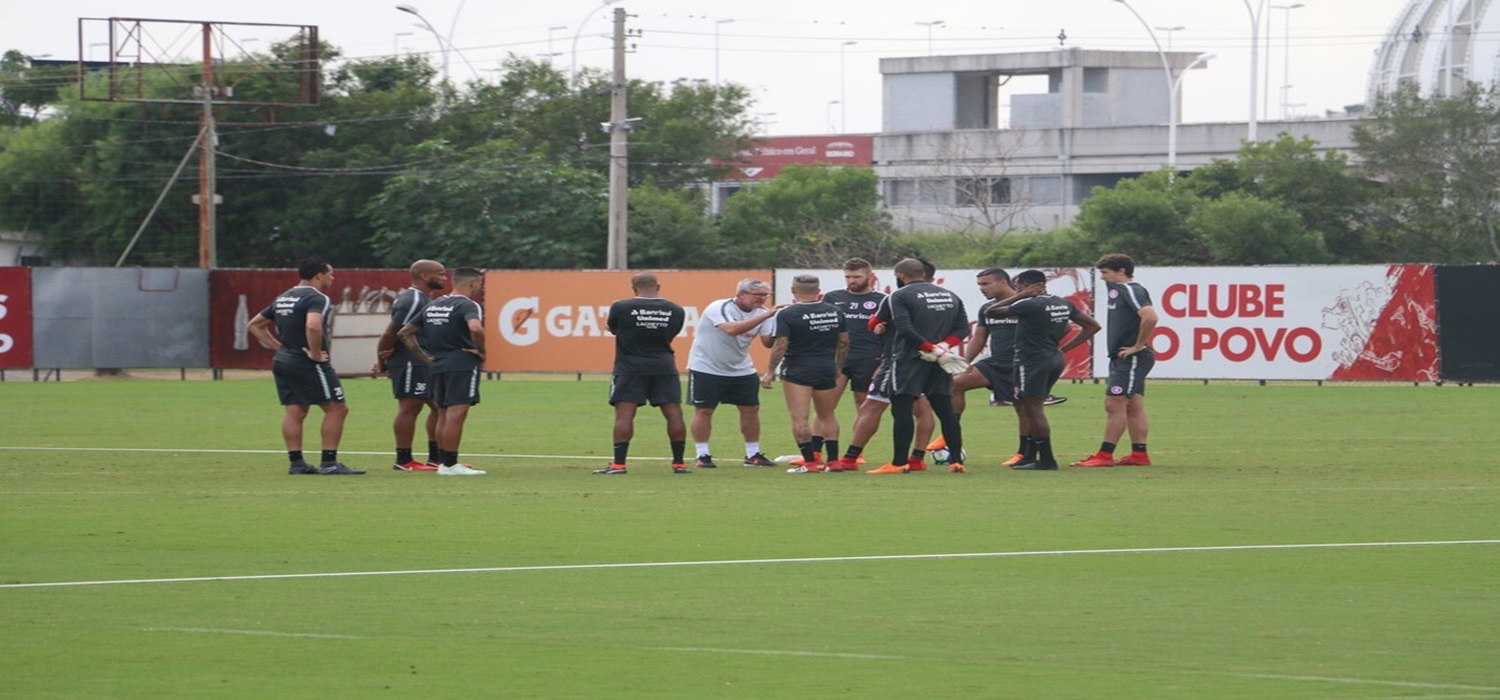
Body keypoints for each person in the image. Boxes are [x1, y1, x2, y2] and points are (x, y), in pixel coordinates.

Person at [247, 258, 365, 475]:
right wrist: (315, 353)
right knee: (337, 408)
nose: (332, 278)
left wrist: (279, 347)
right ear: (318, 275)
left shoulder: (284, 296)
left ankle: (297, 463)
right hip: (308, 362)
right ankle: (329, 463)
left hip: (284, 360)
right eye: (330, 274)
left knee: (295, 410)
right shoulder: (317, 297)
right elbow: (313, 325)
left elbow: (254, 325)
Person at [828, 261, 939, 473]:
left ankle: (854, 458)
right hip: (921, 360)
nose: (851, 281)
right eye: (848, 277)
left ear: (901, 275)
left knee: (875, 406)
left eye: (856, 277)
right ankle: (916, 459)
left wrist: (878, 329)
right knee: (919, 407)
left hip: (895, 361)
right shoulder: (942, 298)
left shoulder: (896, 297)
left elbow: (898, 327)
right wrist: (937, 349)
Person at [985, 269, 1101, 471]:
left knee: (1033, 407)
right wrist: (1063, 349)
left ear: (1025, 285)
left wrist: (1021, 296)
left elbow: (991, 312)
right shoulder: (1060, 302)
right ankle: (1029, 455)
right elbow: (1092, 326)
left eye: (1017, 286)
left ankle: (1047, 460)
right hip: (1052, 358)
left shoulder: (1028, 303)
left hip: (1031, 361)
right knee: (1026, 404)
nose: (1016, 289)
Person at [866, 257, 971, 475]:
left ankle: (898, 463)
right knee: (945, 410)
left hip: (909, 358)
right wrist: (942, 347)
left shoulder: (899, 295)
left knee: (902, 408)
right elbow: (962, 329)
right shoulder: (950, 295)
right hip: (940, 359)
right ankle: (956, 462)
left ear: (900, 276)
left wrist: (928, 348)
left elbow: (903, 329)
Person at [929, 268, 1032, 466]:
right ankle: (950, 434)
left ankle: (1023, 452)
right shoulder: (988, 308)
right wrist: (965, 362)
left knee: (1023, 408)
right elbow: (979, 337)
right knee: (956, 383)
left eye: (986, 284)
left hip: (1020, 364)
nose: (981, 289)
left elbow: (1062, 328)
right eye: (979, 285)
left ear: (1003, 282)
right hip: (995, 363)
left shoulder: (1026, 305)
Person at [594, 272, 690, 475]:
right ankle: (679, 464)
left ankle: (619, 465)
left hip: (630, 366)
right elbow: (670, 334)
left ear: (633, 288)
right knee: (673, 412)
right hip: (664, 365)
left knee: (625, 413)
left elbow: (613, 328)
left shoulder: (621, 307)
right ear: (658, 286)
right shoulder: (676, 310)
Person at [1071, 253, 1158, 467]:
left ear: (1121, 271)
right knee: (1133, 405)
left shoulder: (1130, 289)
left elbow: (1150, 316)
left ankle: (1104, 455)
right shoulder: (1118, 291)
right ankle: (1139, 455)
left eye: (1105, 272)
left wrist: (1137, 346)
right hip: (1126, 358)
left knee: (1114, 403)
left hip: (1132, 358)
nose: (1102, 277)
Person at [399, 266, 487, 476]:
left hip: (437, 364)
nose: (479, 288)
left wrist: (426, 358)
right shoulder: (468, 305)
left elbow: (405, 333)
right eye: (480, 284)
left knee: (443, 413)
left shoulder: (435, 304)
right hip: (461, 363)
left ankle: (443, 462)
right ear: (473, 283)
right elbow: (475, 328)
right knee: (456, 414)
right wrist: (482, 351)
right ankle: (450, 465)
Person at [686, 279, 782, 469]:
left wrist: (785, 323)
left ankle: (753, 454)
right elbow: (732, 329)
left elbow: (767, 342)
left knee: (751, 409)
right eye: (757, 295)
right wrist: (768, 315)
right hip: (707, 366)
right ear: (741, 295)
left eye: (765, 295)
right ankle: (702, 454)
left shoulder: (764, 313)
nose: (762, 299)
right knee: (704, 410)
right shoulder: (720, 307)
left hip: (741, 367)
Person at [761, 274, 848, 474]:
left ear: (793, 290)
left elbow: (780, 345)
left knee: (800, 418)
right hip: (826, 367)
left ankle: (810, 463)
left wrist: (769, 372)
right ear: (819, 291)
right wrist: (838, 367)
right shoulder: (835, 311)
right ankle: (833, 461)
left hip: (798, 369)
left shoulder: (787, 314)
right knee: (827, 415)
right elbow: (844, 343)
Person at [373, 259, 448, 471]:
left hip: (423, 360)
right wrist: (382, 361)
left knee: (438, 406)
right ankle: (404, 460)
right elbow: (392, 333)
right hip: (409, 361)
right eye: (440, 274)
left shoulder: (424, 298)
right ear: (425, 276)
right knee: (410, 407)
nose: (445, 278)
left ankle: (436, 458)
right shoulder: (413, 300)